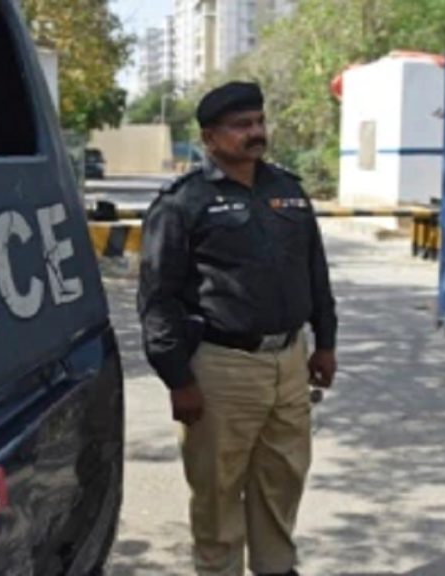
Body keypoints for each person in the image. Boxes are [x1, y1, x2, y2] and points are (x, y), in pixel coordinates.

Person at [137, 81, 338, 576]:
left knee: (283, 477)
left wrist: (325, 343)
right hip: (222, 366)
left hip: (290, 361)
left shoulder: (287, 191)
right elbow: (158, 298)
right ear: (209, 138)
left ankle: (275, 566)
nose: (255, 132)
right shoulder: (183, 202)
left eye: (259, 121)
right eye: (241, 125)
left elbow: (315, 272)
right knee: (218, 488)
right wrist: (178, 378)